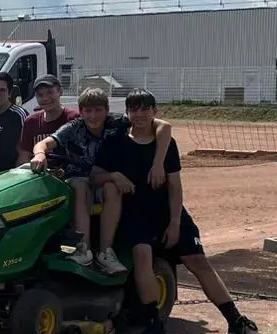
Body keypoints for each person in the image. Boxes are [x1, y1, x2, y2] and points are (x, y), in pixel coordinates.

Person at [95, 89, 263, 334]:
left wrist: (174, 222)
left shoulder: (166, 144)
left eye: (145, 109)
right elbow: (94, 176)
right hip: (136, 215)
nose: (140, 114)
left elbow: (175, 186)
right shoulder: (115, 141)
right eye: (134, 109)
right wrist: (113, 176)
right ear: (127, 112)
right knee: (141, 255)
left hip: (167, 212)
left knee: (198, 261)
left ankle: (235, 320)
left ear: (155, 111)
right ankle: (154, 324)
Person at [28, 89, 172, 274]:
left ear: (107, 110)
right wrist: (40, 154)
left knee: (112, 188)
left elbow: (164, 126)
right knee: (80, 186)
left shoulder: (117, 122)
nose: (93, 116)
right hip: (78, 180)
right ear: (81, 111)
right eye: (88, 111)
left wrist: (158, 164)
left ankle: (105, 252)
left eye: (98, 110)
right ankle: (83, 248)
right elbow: (43, 144)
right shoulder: (73, 128)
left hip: (104, 180)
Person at [18, 74, 79, 172]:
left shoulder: (74, 118)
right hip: (39, 174)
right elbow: (24, 157)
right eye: (40, 95)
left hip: (68, 175)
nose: (45, 98)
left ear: (60, 92)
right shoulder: (31, 121)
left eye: (50, 92)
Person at [0, 73, 25, 172]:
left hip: (10, 175)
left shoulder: (19, 115)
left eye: (2, 90)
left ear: (9, 93)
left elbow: (26, 150)